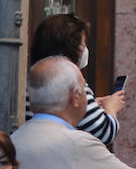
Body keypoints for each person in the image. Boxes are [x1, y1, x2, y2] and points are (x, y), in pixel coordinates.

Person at [26, 14, 122, 145]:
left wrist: (87, 104)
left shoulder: (32, 78)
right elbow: (104, 132)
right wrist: (111, 107)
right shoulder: (71, 81)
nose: (84, 50)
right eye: (82, 44)